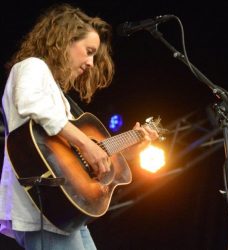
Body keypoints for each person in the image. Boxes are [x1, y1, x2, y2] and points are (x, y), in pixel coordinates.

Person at [0, 3, 158, 249]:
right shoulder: (32, 66)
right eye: (89, 51)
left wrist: (133, 143)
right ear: (63, 41)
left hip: (65, 213)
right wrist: (86, 144)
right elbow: (32, 104)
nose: (91, 63)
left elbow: (76, 155)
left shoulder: (59, 95)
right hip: (44, 207)